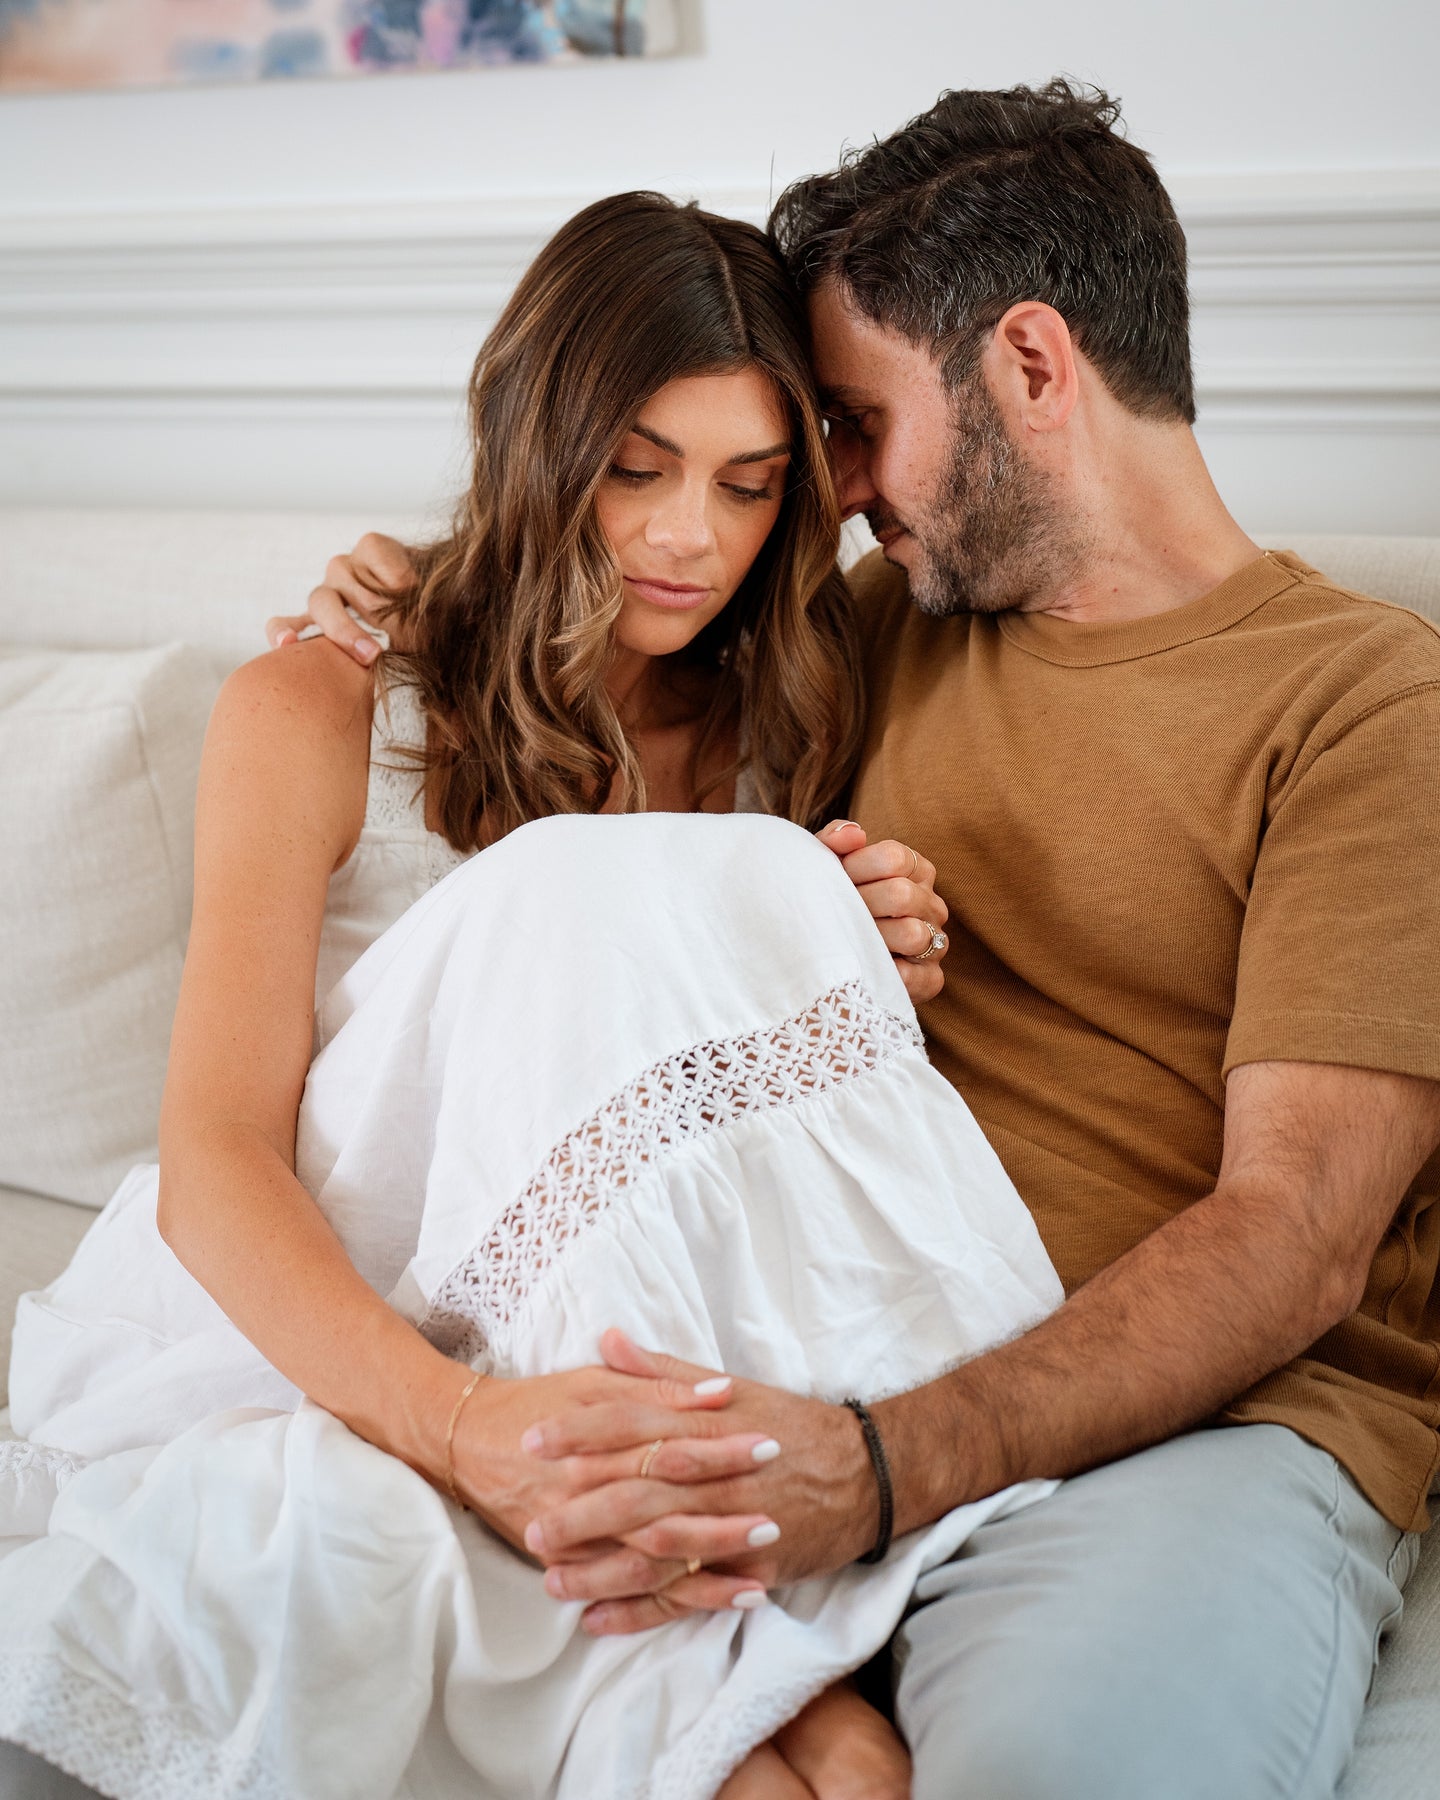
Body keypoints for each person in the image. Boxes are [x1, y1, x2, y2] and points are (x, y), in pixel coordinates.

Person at [290, 82, 1440, 1800]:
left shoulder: (1368, 707)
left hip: (1188, 1434)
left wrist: (877, 1468)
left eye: (853, 423)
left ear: (1034, 369)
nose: (826, 491)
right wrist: (418, 594)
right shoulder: (865, 630)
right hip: (815, 1356)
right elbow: (595, 630)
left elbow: (1296, 1241)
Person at [0, 193, 1065, 1800]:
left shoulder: (786, 721)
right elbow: (217, 1159)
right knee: (390, 1582)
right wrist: (459, 1431)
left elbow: (714, 1137)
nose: (685, 537)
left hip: (637, 1360)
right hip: (342, 1340)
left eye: (747, 484)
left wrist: (843, 941)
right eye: (633, 467)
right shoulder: (322, 703)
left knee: (850, 1768)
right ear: (535, 430)